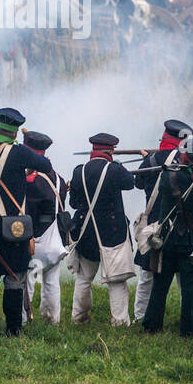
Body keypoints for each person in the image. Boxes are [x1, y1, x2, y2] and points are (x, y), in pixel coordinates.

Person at [0, 108, 55, 335]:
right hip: (14, 229)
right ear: (15, 134)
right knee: (15, 278)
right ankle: (14, 328)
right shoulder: (20, 153)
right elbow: (45, 165)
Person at [140, 139, 193, 335]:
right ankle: (188, 331)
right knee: (189, 290)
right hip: (192, 241)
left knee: (160, 285)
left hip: (167, 239)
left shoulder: (167, 176)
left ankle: (151, 325)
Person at [68, 133, 137, 326]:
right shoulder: (115, 169)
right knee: (116, 281)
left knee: (84, 279)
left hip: (85, 232)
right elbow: (131, 183)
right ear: (111, 150)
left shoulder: (78, 171)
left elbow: (73, 203)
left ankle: (79, 318)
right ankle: (120, 321)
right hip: (112, 233)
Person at [133, 119, 190, 321]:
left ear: (165, 137)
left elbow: (138, 183)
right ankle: (192, 320)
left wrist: (149, 159)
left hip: (154, 223)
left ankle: (140, 317)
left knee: (147, 275)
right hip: (183, 225)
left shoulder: (151, 160)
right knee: (186, 279)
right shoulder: (188, 161)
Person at [22, 130, 69, 324]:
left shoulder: (32, 181)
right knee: (51, 282)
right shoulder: (57, 177)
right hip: (55, 238)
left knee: (27, 281)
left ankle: (22, 319)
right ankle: (52, 320)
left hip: (37, 238)